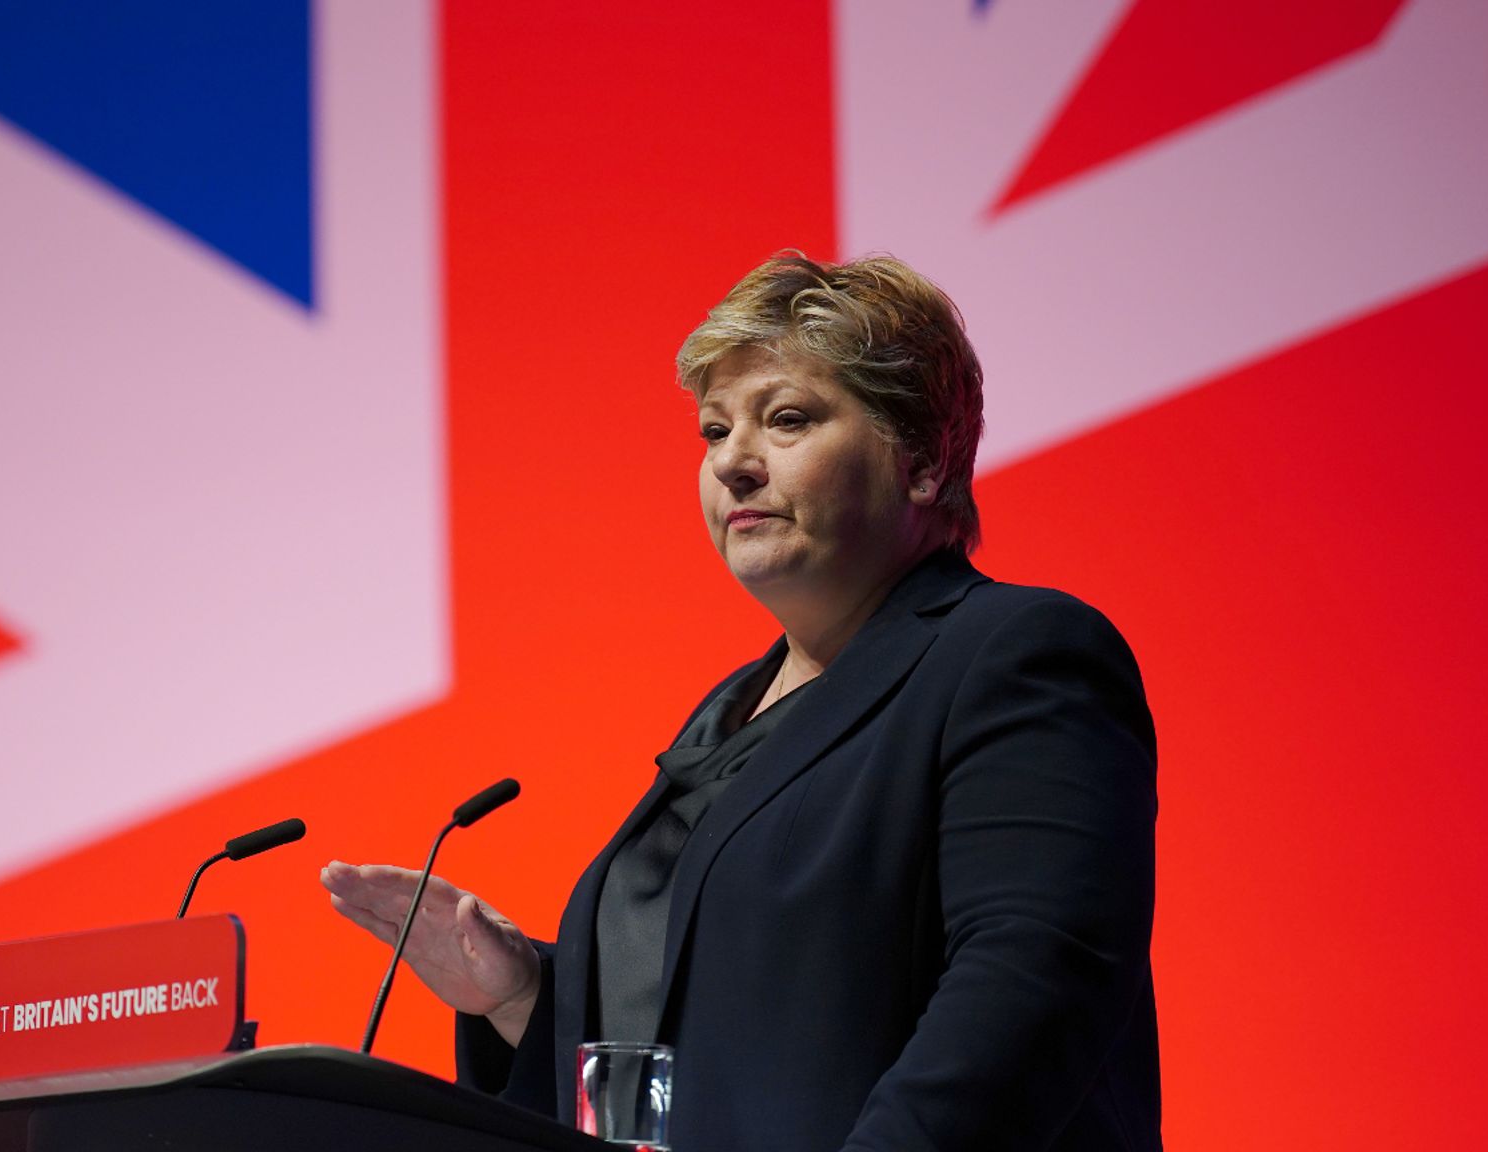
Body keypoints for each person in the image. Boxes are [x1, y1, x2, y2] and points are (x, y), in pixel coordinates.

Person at [322, 254, 1160, 1151]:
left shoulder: (1014, 653)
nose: (733, 465)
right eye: (713, 432)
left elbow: (1033, 982)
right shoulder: (729, 715)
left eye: (786, 420)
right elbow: (729, 1020)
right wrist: (525, 996)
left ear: (921, 460)